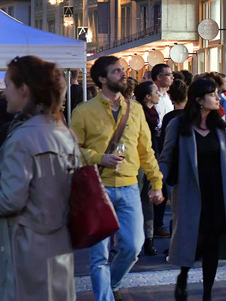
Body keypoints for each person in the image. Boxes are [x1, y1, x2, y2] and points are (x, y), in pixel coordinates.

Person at [71, 55, 164, 301]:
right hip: (97, 189)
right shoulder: (84, 112)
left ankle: (113, 283)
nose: (124, 74)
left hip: (129, 186)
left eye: (123, 70)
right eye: (116, 71)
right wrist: (100, 158)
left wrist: (156, 183)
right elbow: (71, 151)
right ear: (102, 79)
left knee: (133, 247)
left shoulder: (135, 110)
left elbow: (146, 150)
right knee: (99, 255)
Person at [160, 78, 226, 301]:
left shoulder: (220, 126)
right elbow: (166, 157)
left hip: (218, 192)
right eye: (212, 94)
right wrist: (158, 185)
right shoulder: (178, 125)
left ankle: (207, 294)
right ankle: (183, 275)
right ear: (199, 100)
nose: (217, 98)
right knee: (194, 239)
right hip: (190, 192)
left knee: (212, 241)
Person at [0, 56, 78, 300]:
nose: (4, 92)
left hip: (23, 247)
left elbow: (11, 200)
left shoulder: (22, 138)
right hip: (59, 243)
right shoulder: (64, 133)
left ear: (24, 89)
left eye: (8, 85)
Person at [155, 79, 188, 239]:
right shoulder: (189, 117)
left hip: (171, 164)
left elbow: (164, 144)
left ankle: (162, 227)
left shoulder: (170, 117)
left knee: (172, 203)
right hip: (184, 165)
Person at [134, 81, 162, 256]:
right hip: (137, 160)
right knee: (136, 199)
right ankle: (137, 239)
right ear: (147, 97)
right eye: (156, 92)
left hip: (151, 157)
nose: (159, 94)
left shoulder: (153, 113)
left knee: (147, 199)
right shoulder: (137, 112)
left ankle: (149, 239)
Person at [151, 63, 174, 128]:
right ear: (159, 77)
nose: (172, 77)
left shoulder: (169, 97)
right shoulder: (150, 97)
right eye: (169, 75)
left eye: (172, 75)